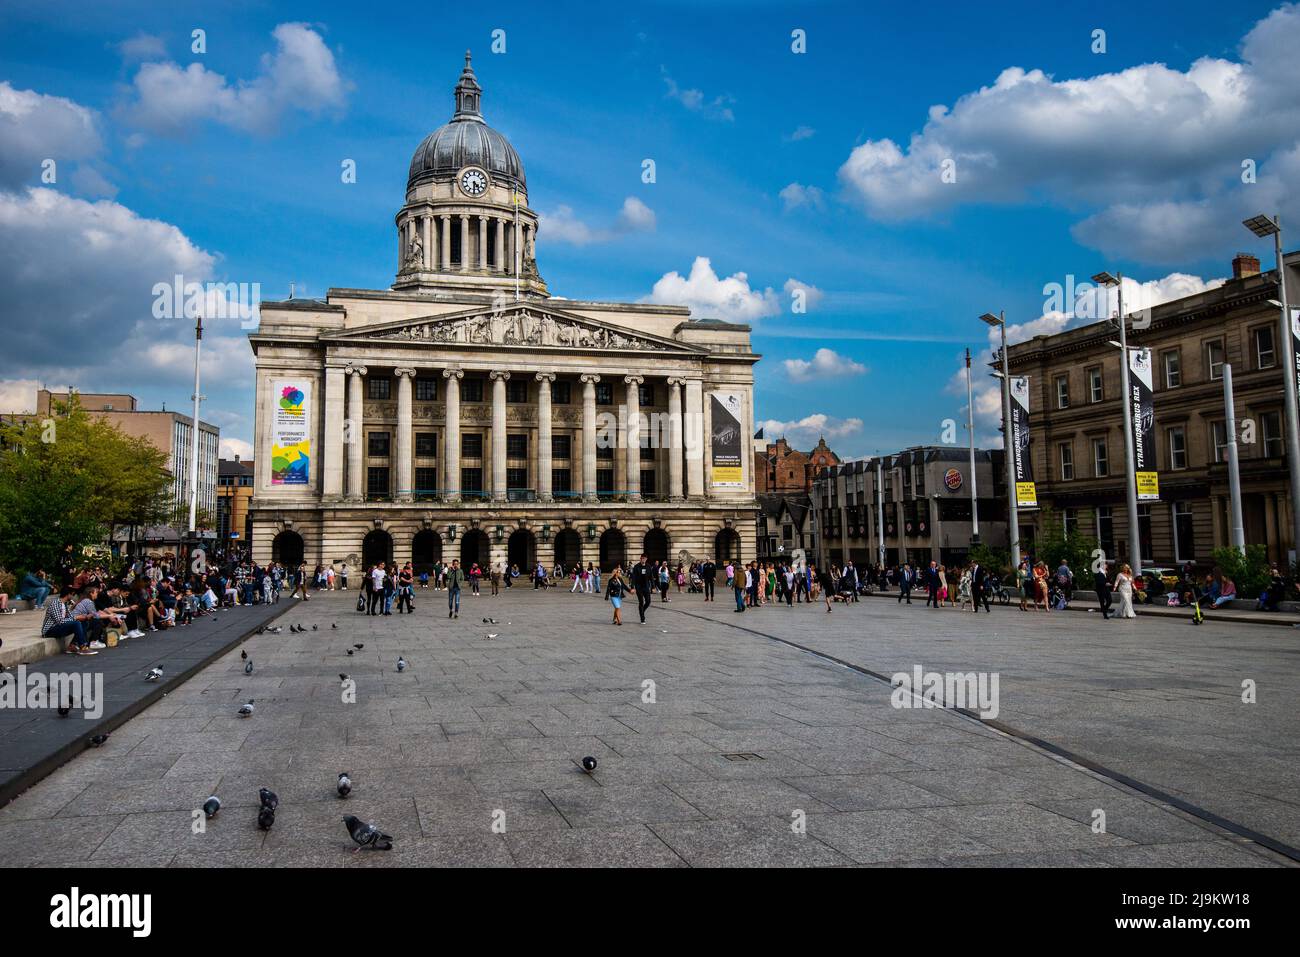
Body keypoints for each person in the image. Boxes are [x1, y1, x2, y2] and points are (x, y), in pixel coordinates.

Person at [43, 588, 96, 655]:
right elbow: (59, 621)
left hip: (59, 627)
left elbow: (70, 617)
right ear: (68, 595)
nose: (73, 597)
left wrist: (82, 617)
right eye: (72, 594)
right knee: (76, 623)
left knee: (83, 623)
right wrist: (76, 618)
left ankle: (72, 646)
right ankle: (83, 647)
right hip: (50, 630)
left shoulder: (64, 604)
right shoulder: (56, 604)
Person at [630, 553, 653, 624]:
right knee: (641, 602)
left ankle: (642, 611)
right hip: (639, 586)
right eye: (642, 558)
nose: (643, 559)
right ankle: (642, 618)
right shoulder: (636, 567)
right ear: (640, 559)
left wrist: (654, 586)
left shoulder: (648, 566)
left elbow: (651, 577)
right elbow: (633, 577)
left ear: (646, 559)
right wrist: (632, 587)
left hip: (646, 586)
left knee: (648, 601)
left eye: (644, 558)